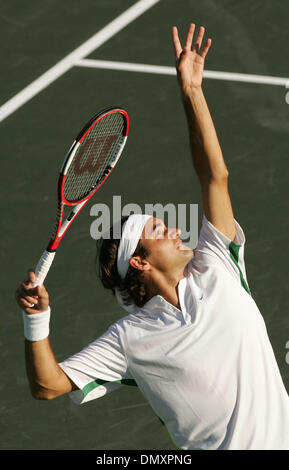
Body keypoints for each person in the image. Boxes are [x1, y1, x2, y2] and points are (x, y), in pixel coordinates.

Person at [15, 23, 289, 450]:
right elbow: (48, 385)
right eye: (160, 229)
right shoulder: (130, 338)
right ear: (140, 261)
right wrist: (37, 320)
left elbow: (215, 177)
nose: (178, 230)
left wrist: (192, 90)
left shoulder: (217, 263)